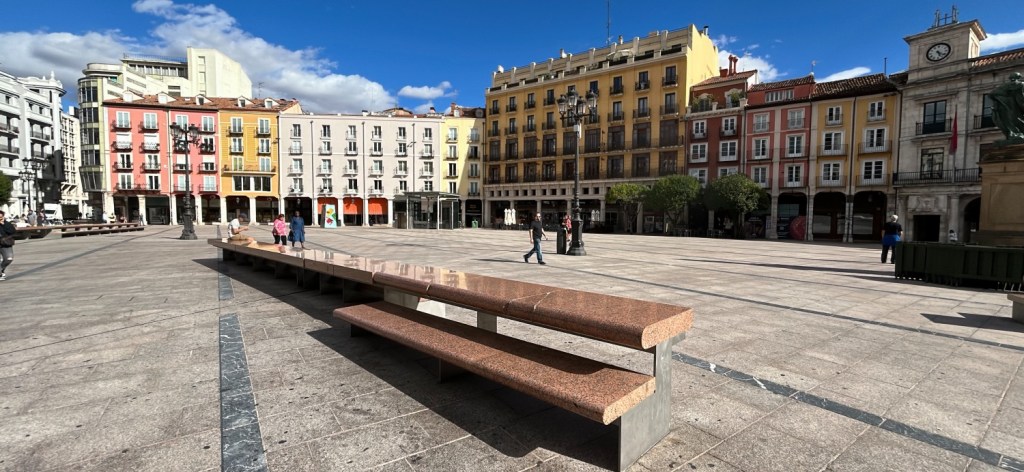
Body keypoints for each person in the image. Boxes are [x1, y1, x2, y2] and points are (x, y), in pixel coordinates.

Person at [990, 72, 1024, 140]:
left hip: (1009, 107)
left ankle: (1015, 133)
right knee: (1016, 120)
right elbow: (1021, 97)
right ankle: (1016, 133)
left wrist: (1003, 97)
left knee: (1012, 121)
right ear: (1018, 78)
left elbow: (992, 94)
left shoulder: (1005, 86)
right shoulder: (1021, 84)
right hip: (1015, 106)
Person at [0, 211, 15, 281]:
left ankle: (1, 269)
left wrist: (3, 224)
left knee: (9, 259)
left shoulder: (7, 224)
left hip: (5, 243)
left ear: (3, 216)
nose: (0, 218)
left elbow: (12, 232)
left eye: (1, 217)